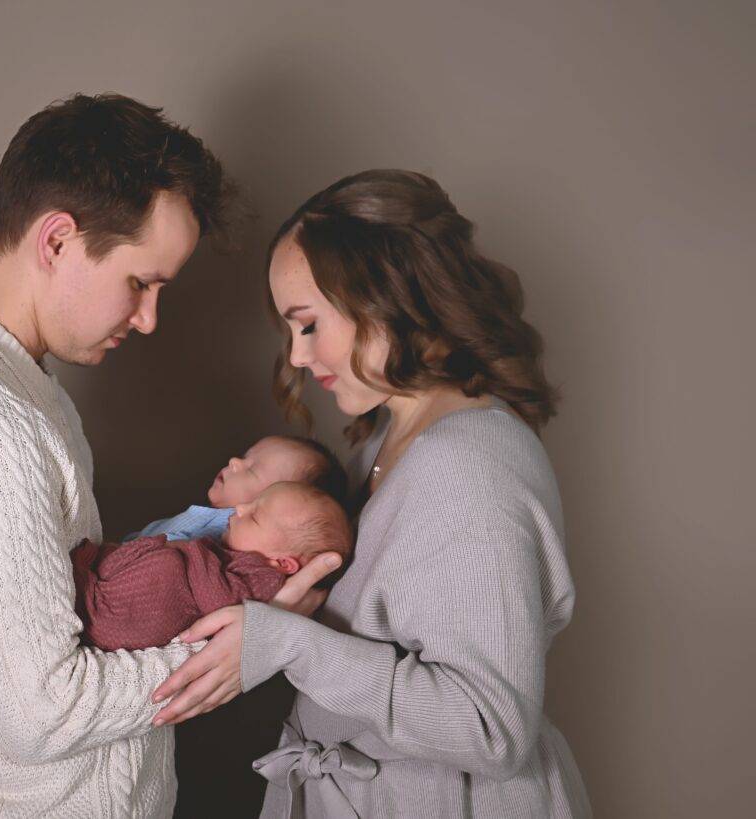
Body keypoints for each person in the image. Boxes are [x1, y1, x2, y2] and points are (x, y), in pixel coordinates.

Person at [0, 92, 340, 817]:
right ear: (56, 241)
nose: (148, 319)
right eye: (140, 284)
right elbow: (41, 711)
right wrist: (238, 654)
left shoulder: (16, 384)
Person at [152, 169, 592, 817]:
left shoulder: (471, 464)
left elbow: (492, 727)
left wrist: (289, 644)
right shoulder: (376, 448)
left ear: (384, 297)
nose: (297, 357)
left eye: (308, 324)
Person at [75, 481, 353, 651]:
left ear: (282, 563)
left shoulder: (264, 579)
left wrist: (196, 550)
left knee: (169, 567)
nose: (239, 509)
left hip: (128, 621)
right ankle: (93, 574)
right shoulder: (242, 557)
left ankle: (93, 597)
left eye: (254, 516)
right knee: (161, 557)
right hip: (129, 598)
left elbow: (218, 599)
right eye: (250, 503)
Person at [125, 434, 348, 542]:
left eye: (251, 470)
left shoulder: (229, 531)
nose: (234, 461)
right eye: (244, 457)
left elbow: (179, 556)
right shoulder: (217, 517)